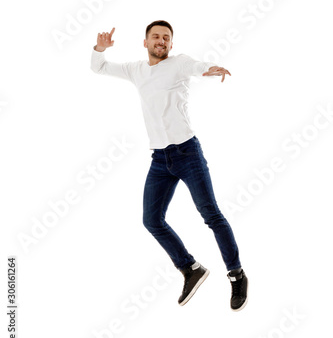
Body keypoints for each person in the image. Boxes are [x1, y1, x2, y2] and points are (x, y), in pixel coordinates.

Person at [90, 20, 248, 310]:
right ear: (146, 42)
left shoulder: (178, 63)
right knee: (152, 220)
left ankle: (236, 275)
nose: (161, 41)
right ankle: (190, 268)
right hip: (160, 159)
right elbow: (98, 67)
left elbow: (197, 66)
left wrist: (211, 69)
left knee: (210, 214)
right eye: (155, 37)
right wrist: (100, 49)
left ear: (171, 44)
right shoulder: (136, 70)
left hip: (188, 154)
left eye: (166, 38)